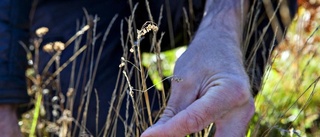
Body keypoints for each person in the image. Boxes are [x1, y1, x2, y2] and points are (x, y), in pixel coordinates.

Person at [0, 0, 297, 136]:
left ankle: (215, 114)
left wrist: (222, 26)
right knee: (104, 119)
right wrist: (4, 99)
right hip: (71, 8)